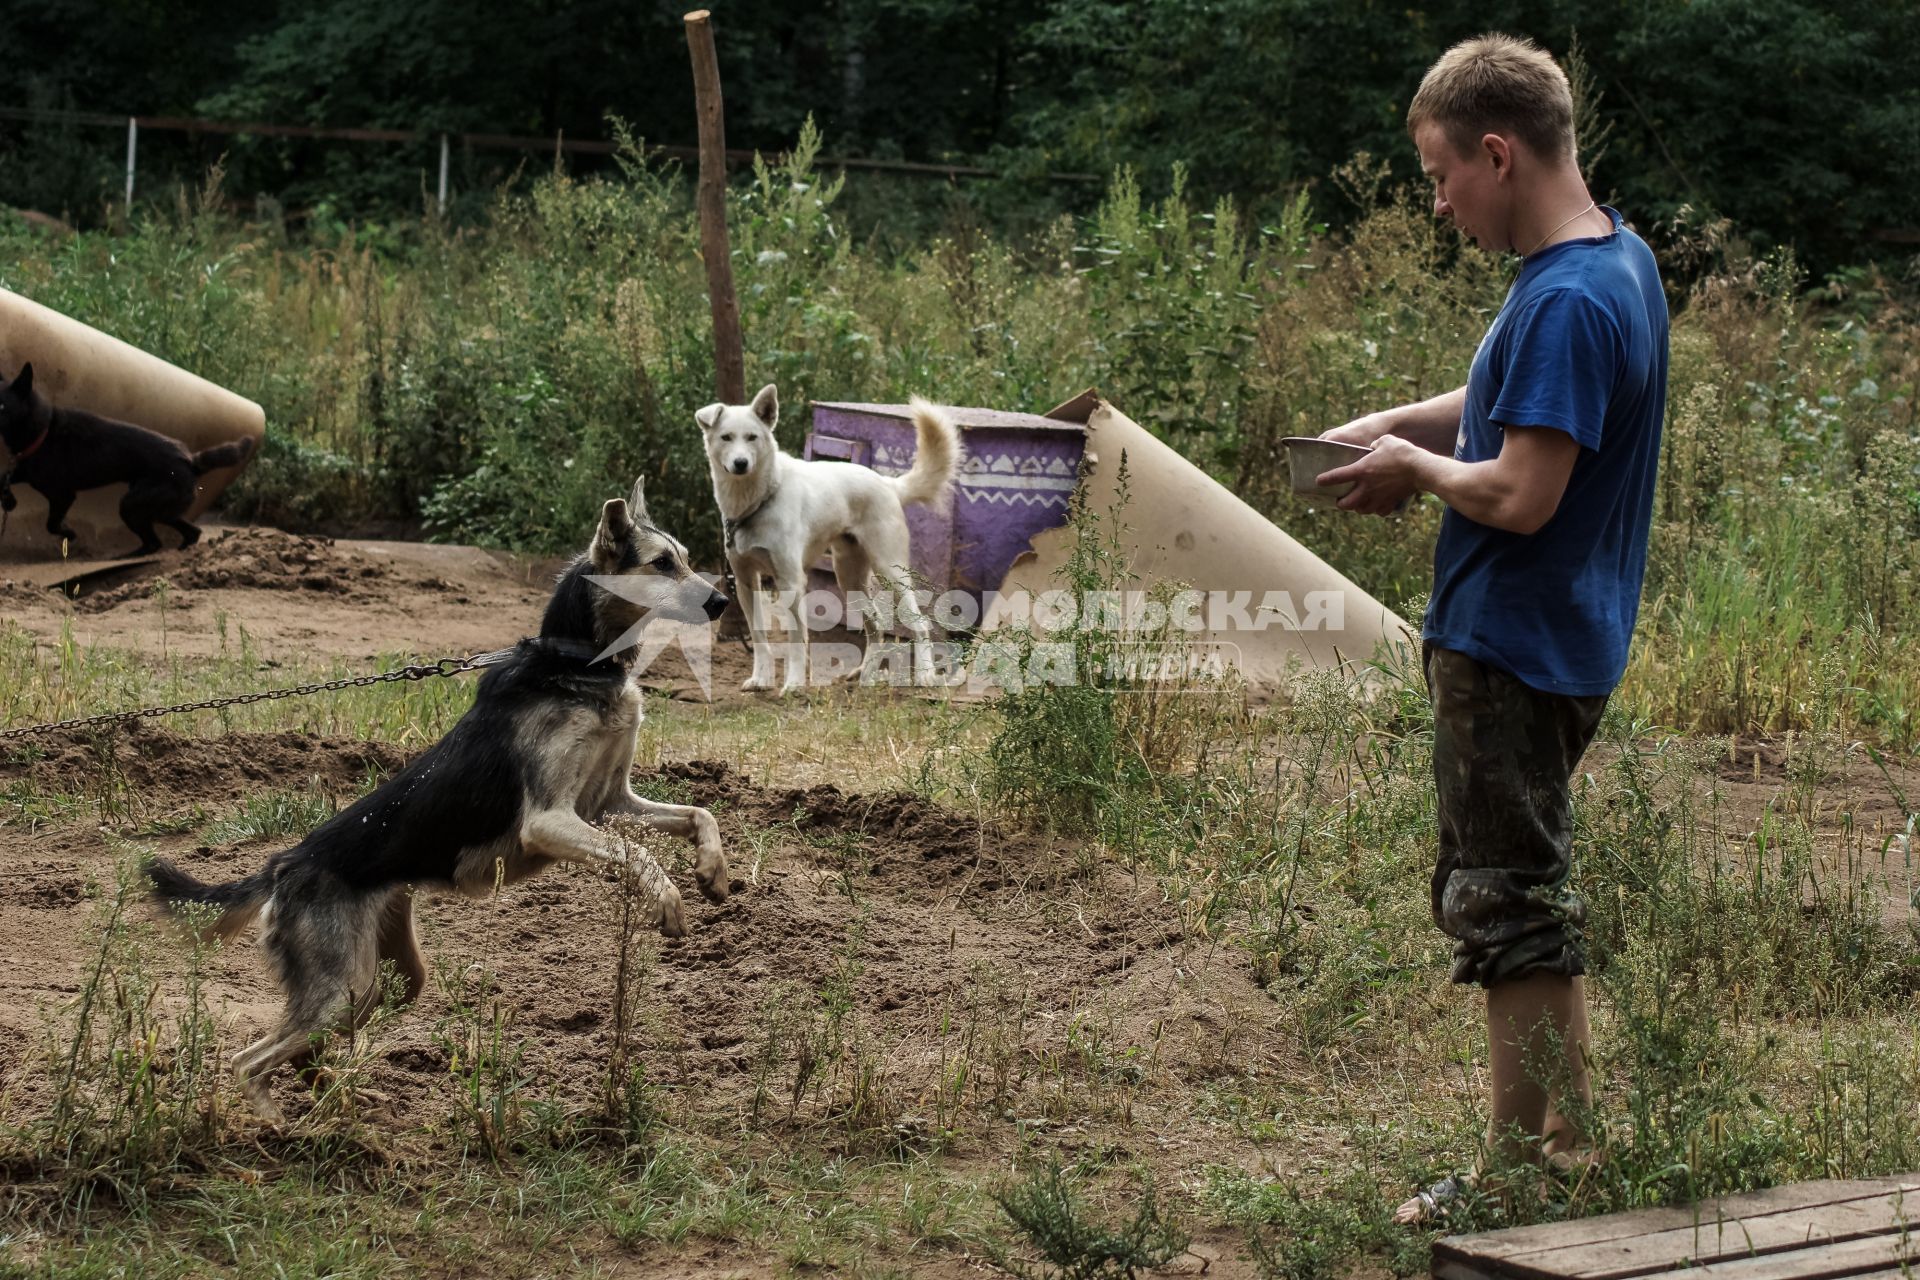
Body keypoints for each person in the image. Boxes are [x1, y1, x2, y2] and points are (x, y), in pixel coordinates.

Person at [1315, 32, 1669, 1224]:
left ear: (1500, 152)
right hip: (1557, 635)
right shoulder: (1613, 259)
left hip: (1515, 643)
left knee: (1505, 901)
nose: (1436, 200)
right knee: (1529, 891)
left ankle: (1525, 1169)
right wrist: (1406, 420)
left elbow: (1523, 492)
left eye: (1439, 173)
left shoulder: (1566, 296)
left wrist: (1415, 469)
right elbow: (1516, 394)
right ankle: (1567, 1140)